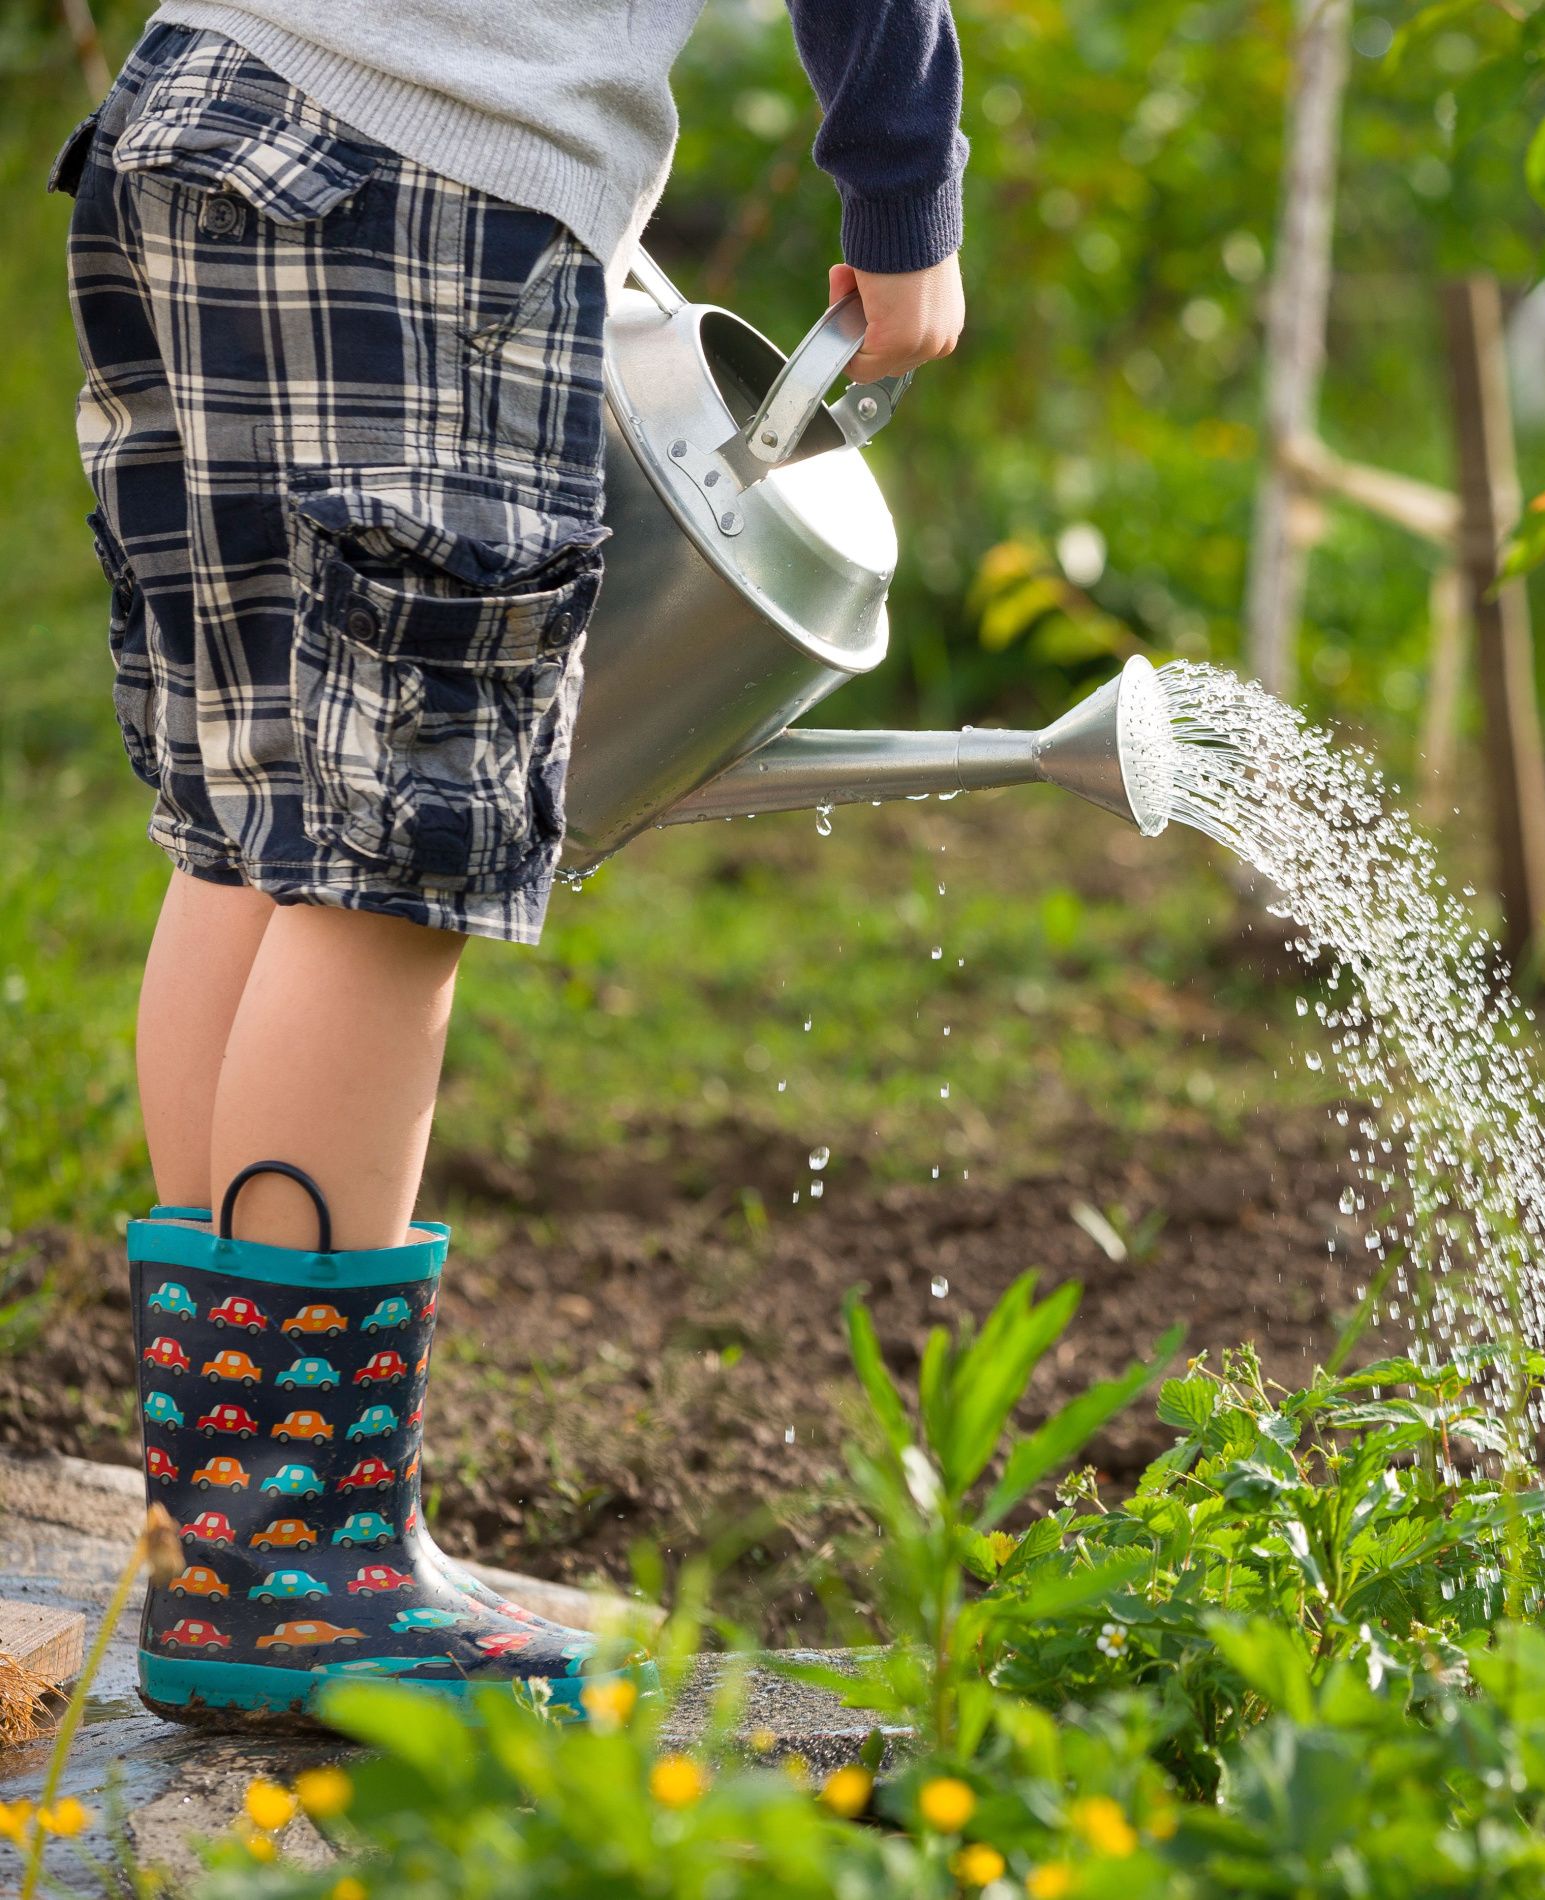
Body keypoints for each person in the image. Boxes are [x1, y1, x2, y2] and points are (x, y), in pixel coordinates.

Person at [52, 0, 967, 1729]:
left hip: (189, 116)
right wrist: (904, 203)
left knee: (249, 829)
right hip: (435, 160)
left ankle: (247, 1532)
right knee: (393, 866)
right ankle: (293, 1574)